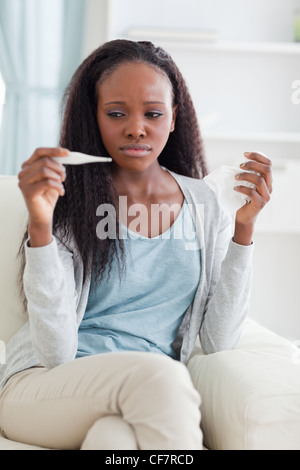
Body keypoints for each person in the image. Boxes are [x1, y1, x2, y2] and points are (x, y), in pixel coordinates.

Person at [0, 39, 272, 450]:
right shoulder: (68, 201)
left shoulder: (205, 204)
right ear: (94, 118)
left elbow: (219, 340)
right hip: (44, 387)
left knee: (116, 442)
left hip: (142, 399)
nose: (136, 128)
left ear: (174, 117)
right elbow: (55, 352)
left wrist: (244, 230)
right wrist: (40, 225)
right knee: (159, 376)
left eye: (153, 113)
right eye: (116, 114)